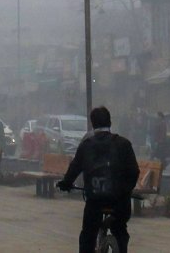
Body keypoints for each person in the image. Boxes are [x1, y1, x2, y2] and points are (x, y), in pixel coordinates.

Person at [57, 106, 141, 253]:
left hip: (94, 201)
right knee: (120, 230)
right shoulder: (124, 144)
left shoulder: (86, 145)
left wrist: (66, 183)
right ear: (110, 122)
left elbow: (75, 168)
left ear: (92, 124)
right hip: (119, 202)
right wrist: (125, 190)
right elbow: (134, 172)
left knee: (88, 235)